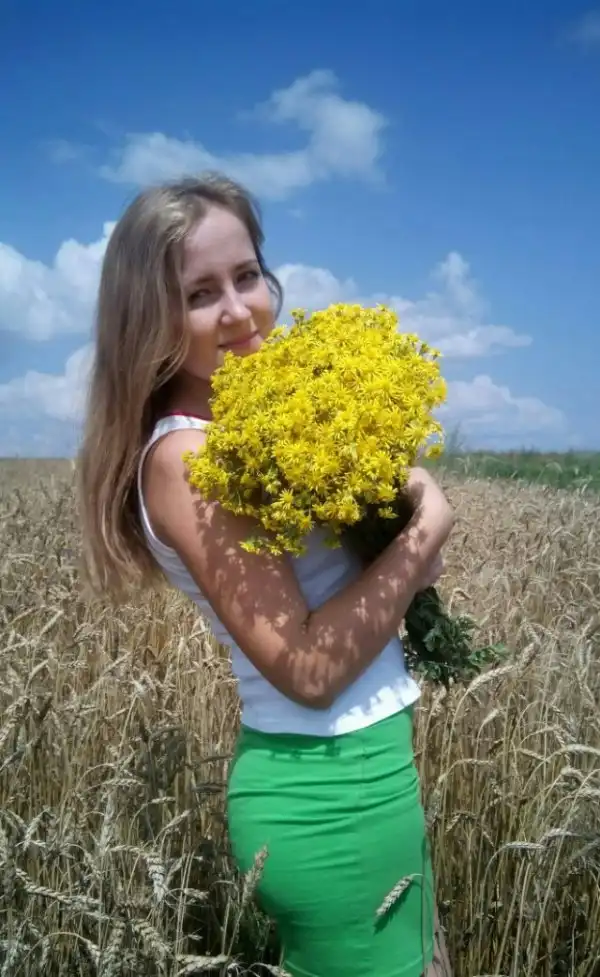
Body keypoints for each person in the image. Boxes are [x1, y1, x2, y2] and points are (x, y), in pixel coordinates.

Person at [78, 173, 455, 977]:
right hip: (329, 797)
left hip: (367, 772)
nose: (239, 311)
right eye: (199, 293)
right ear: (148, 319)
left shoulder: (266, 424)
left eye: (246, 275)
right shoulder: (189, 457)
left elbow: (365, 594)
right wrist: (425, 524)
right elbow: (310, 668)